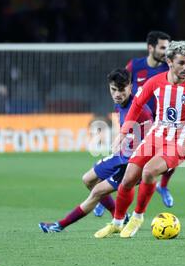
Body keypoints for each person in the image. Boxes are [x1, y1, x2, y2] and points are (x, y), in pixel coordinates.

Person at [94, 41, 185, 239]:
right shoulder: (156, 82)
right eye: (181, 63)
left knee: (149, 171)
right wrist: (124, 131)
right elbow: (137, 103)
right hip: (156, 135)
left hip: (180, 142)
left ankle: (137, 217)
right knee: (127, 180)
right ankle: (117, 223)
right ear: (169, 62)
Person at [39, 68, 153, 233]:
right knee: (88, 180)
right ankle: (120, 216)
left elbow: (150, 137)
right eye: (113, 89)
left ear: (130, 87)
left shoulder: (139, 110)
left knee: (98, 191)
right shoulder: (120, 104)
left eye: (122, 90)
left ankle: (59, 226)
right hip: (121, 156)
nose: (117, 94)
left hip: (133, 162)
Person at [93, 31, 175, 217]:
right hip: (135, 118)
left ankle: (163, 187)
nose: (166, 51)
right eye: (163, 47)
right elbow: (120, 82)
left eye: (168, 48)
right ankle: (104, 195)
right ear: (150, 48)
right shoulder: (135, 66)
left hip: (157, 119)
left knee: (170, 154)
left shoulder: (167, 69)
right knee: (124, 158)